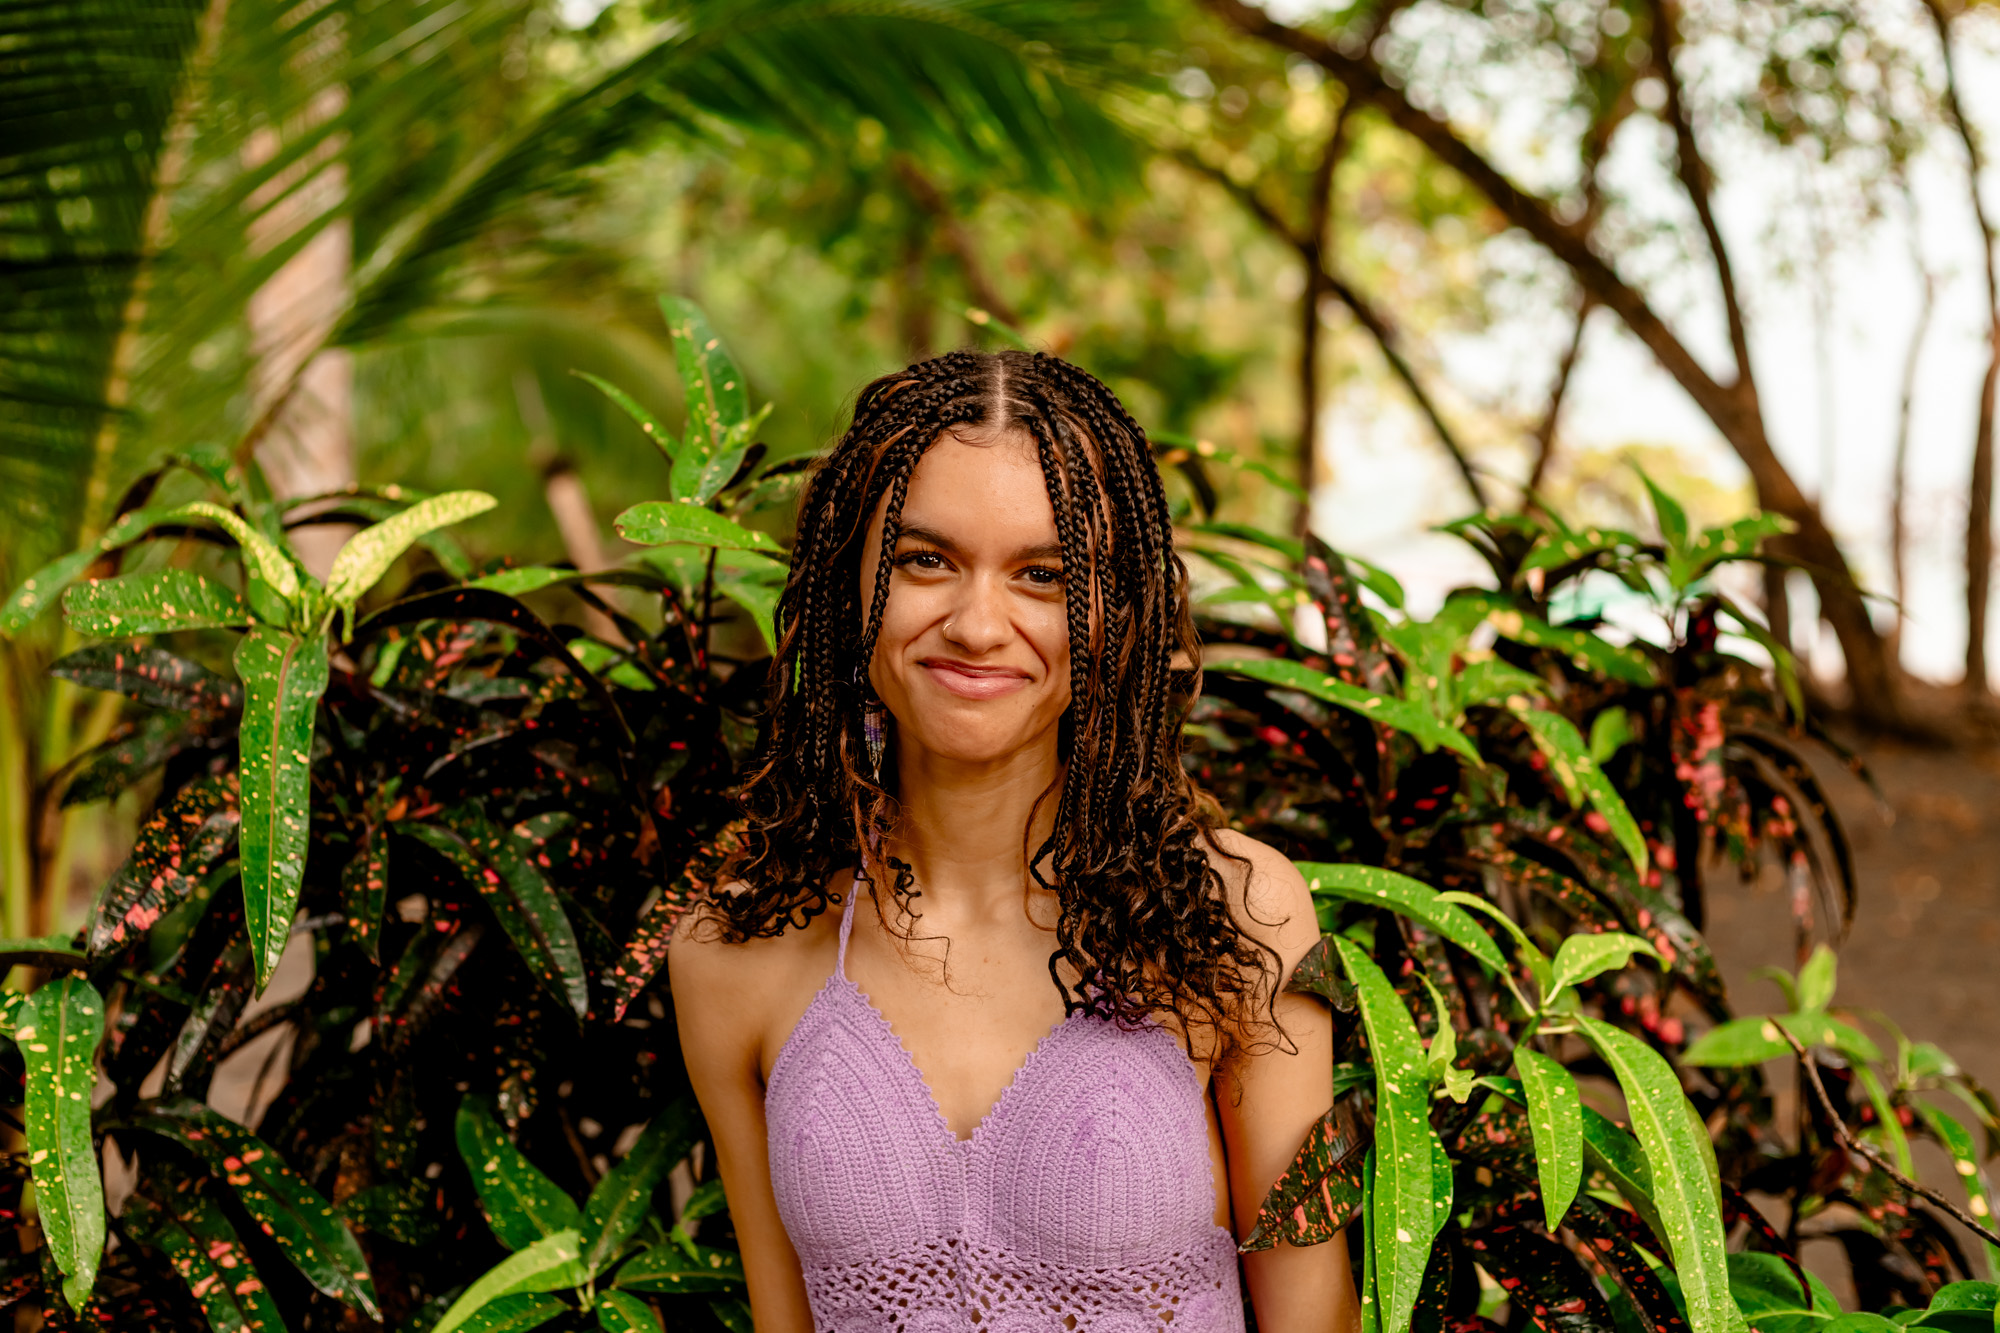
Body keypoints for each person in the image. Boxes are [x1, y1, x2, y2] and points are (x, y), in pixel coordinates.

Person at [670, 350, 1358, 1333]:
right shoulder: (731, 948)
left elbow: (1311, 1320)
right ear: (845, 584)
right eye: (924, 560)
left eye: (1043, 574)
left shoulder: (1237, 910)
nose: (978, 623)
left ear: (1114, 613)